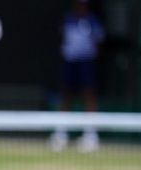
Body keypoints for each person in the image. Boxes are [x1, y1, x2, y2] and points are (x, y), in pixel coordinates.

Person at [50, 0, 105, 152]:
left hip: (86, 62)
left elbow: (98, 41)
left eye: (83, 4)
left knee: (88, 95)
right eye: (78, 4)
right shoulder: (67, 19)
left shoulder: (92, 21)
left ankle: (90, 135)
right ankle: (61, 133)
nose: (81, 7)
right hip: (69, 62)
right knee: (65, 95)